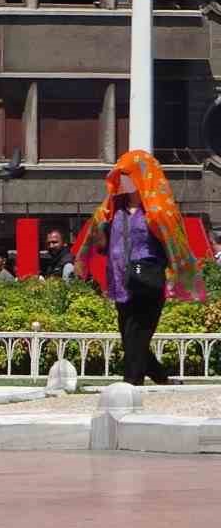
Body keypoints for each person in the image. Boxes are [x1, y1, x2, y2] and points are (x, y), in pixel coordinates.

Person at [80, 151, 205, 385]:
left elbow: (174, 248)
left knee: (138, 333)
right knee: (129, 337)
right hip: (121, 283)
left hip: (148, 282)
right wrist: (98, 231)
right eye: (120, 176)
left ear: (141, 178)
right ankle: (161, 377)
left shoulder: (159, 213)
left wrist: (173, 276)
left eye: (127, 176)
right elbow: (101, 246)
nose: (121, 181)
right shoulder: (112, 211)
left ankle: (131, 383)